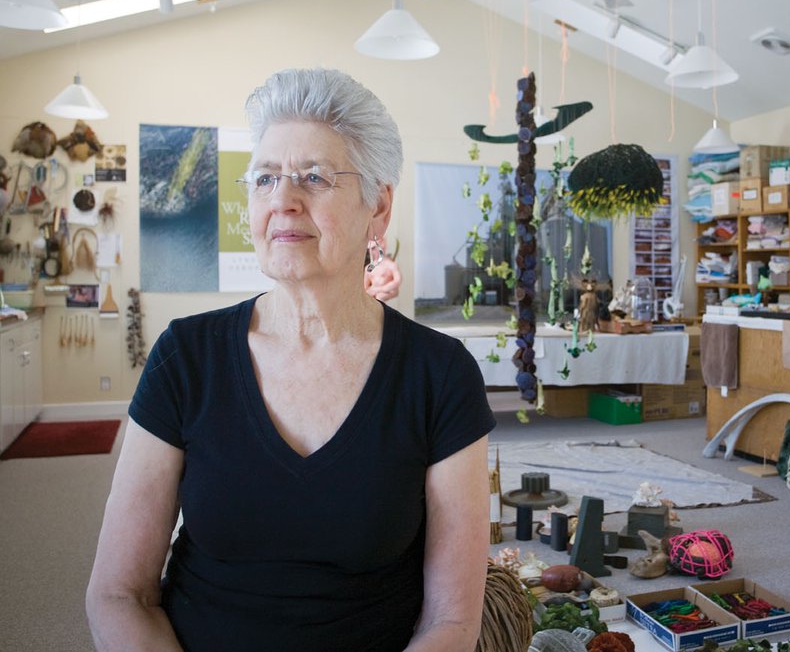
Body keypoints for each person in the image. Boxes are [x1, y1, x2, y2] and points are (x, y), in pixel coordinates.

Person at [87, 68, 495, 652]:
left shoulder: (439, 374)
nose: (282, 200)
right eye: (265, 178)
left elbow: (452, 623)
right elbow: (118, 596)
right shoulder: (186, 357)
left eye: (314, 177)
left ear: (377, 207)